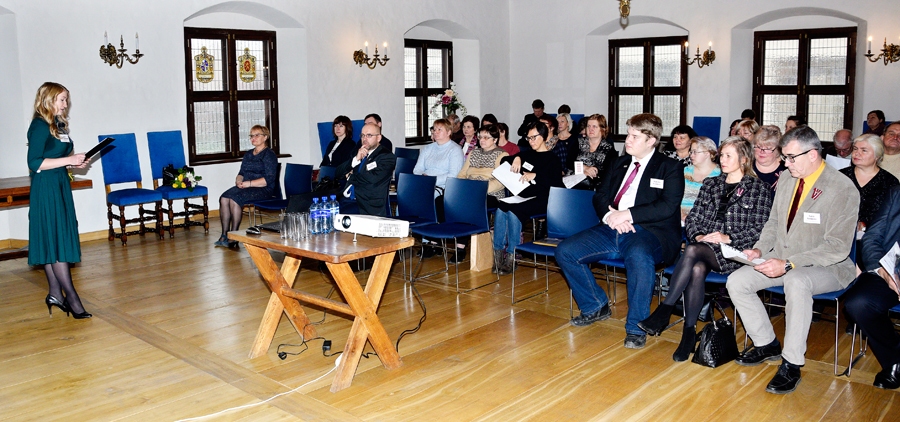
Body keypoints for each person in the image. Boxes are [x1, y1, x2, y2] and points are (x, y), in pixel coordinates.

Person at [726, 126, 859, 394]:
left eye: (790, 157)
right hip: (783, 258)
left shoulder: (842, 188)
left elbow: (837, 247)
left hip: (828, 266)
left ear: (813, 154)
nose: (785, 163)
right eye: (784, 157)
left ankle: (792, 363)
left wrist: (788, 264)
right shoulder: (788, 178)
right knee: (737, 281)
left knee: (797, 282)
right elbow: (774, 223)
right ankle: (767, 344)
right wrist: (759, 250)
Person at [556, 113, 684, 349]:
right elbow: (601, 196)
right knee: (566, 251)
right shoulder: (619, 162)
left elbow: (667, 206)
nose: (628, 139)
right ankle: (595, 305)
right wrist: (610, 216)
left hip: (651, 232)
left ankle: (636, 326)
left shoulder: (670, 167)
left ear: (651, 140)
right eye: (628, 134)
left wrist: (628, 215)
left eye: (635, 136)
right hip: (613, 225)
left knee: (638, 256)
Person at [639, 137, 773, 361]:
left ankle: (665, 310)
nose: (722, 160)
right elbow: (693, 219)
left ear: (744, 159)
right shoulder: (712, 184)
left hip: (735, 252)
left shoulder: (758, 189)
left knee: (692, 252)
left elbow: (759, 229)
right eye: (721, 155)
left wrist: (727, 237)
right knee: (697, 268)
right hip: (704, 248)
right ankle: (688, 334)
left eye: (728, 156)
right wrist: (700, 235)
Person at [27, 82, 92, 319]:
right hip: (46, 189)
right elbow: (34, 162)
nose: (66, 104)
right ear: (48, 99)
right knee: (54, 242)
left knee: (55, 238)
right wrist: (68, 160)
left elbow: (60, 156)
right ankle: (72, 298)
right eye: (62, 99)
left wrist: (76, 161)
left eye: (66, 100)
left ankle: (55, 293)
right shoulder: (39, 126)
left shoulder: (58, 125)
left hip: (59, 185)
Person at [844, 185, 900, 390]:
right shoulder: (896, 192)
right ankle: (895, 359)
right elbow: (872, 237)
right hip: (890, 267)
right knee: (858, 303)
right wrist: (884, 271)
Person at [493, 121, 562, 274]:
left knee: (514, 212)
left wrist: (536, 175)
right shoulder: (527, 154)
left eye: (534, 138)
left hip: (543, 198)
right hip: (524, 195)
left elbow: (557, 185)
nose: (531, 142)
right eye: (529, 138)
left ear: (543, 136)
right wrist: (516, 158)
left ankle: (513, 255)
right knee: (501, 207)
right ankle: (497, 254)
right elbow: (504, 161)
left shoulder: (552, 159)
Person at [217, 125, 278, 248]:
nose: (253, 138)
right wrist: (239, 181)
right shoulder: (249, 154)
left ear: (265, 137)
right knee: (224, 198)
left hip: (263, 189)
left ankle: (233, 237)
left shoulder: (269, 155)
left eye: (257, 135)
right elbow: (241, 173)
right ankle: (224, 234)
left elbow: (268, 180)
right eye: (251, 135)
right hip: (246, 186)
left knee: (235, 200)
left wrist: (248, 183)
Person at [840, 134, 899, 231]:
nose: (856, 153)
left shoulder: (889, 182)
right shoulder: (841, 176)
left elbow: (891, 216)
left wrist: (865, 225)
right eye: (855, 149)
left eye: (864, 150)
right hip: (841, 232)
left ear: (877, 155)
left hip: (874, 236)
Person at [337, 123, 396, 217]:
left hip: (367, 205)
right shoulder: (359, 152)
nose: (364, 139)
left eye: (369, 135)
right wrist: (356, 159)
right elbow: (338, 173)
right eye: (362, 135)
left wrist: (350, 177)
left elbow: (371, 179)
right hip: (347, 199)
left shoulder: (386, 156)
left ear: (378, 138)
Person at [458, 125, 508, 209]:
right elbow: (462, 174)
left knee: (471, 202)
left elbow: (501, 181)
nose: (481, 140)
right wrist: (463, 187)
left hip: (490, 193)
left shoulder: (502, 155)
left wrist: (479, 189)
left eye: (486, 137)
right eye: (480, 137)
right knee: (442, 200)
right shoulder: (473, 153)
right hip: (470, 190)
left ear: (495, 139)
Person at [566, 113, 618, 189]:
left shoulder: (608, 148)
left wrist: (592, 172)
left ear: (602, 129)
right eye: (588, 126)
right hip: (574, 183)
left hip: (596, 186)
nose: (590, 129)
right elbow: (569, 162)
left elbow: (609, 171)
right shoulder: (578, 142)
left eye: (594, 126)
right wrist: (585, 168)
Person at [680, 137, 721, 221]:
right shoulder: (684, 171)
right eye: (691, 152)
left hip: (705, 221)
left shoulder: (720, 175)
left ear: (707, 153)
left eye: (695, 152)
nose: (691, 155)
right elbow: (674, 197)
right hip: (680, 218)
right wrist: (682, 215)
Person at [752, 125, 787, 197]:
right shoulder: (746, 167)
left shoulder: (786, 171)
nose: (762, 151)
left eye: (768, 148)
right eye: (758, 146)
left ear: (777, 150)